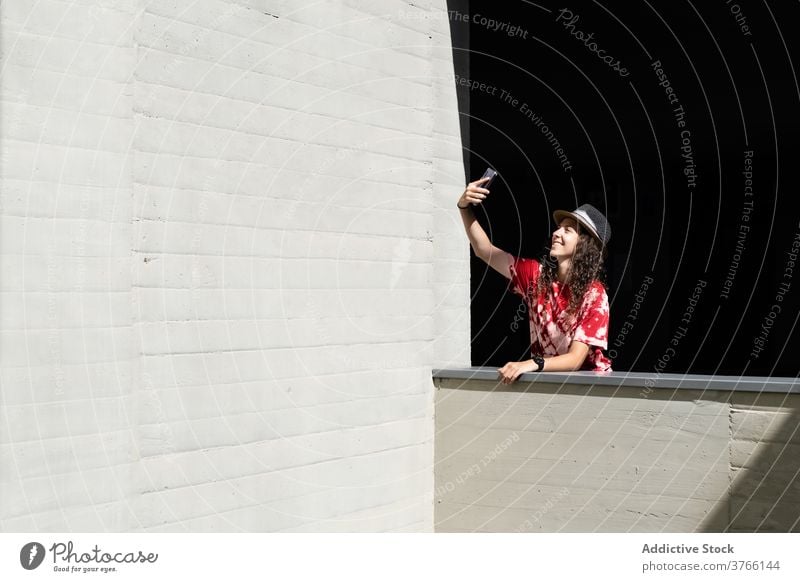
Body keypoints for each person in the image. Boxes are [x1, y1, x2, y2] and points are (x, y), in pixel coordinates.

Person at [457, 174, 612, 383]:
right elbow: (484, 251)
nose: (556, 233)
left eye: (568, 230)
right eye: (558, 228)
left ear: (585, 245)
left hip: (588, 388)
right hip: (548, 382)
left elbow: (576, 360)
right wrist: (464, 208)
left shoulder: (595, 294)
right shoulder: (535, 276)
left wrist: (531, 363)